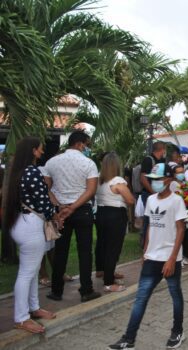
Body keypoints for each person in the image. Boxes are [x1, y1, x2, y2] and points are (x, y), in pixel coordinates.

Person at [108, 163, 187, 350]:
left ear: (169, 180)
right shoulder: (151, 199)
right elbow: (150, 226)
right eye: (153, 179)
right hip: (152, 257)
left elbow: (181, 230)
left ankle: (177, 331)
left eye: (159, 179)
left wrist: (172, 258)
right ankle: (129, 339)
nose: (155, 183)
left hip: (169, 258)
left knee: (175, 295)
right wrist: (145, 252)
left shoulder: (177, 201)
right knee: (141, 298)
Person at [5, 137, 59, 333]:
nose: (42, 152)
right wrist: (55, 215)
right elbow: (43, 201)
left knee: (32, 270)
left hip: (21, 222)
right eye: (40, 149)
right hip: (31, 225)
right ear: (33, 151)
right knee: (27, 273)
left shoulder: (17, 172)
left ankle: (34, 308)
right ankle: (21, 317)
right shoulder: (32, 172)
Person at [44, 131, 101, 302]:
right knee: (85, 251)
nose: (87, 148)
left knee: (60, 251)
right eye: (86, 144)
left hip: (59, 212)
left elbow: (46, 189)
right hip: (82, 210)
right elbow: (91, 191)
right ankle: (86, 290)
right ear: (79, 144)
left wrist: (61, 206)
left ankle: (56, 291)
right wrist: (73, 207)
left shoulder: (51, 162)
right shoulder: (88, 163)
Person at [95, 152, 136, 293]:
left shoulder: (100, 181)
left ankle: (105, 272)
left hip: (101, 214)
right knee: (113, 248)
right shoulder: (117, 181)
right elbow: (130, 200)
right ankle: (108, 282)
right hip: (115, 215)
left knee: (103, 245)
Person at [139, 142, 167, 246]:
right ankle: (145, 243)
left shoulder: (162, 160)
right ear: (162, 149)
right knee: (149, 219)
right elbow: (143, 178)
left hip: (160, 194)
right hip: (149, 194)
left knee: (159, 219)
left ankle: (156, 241)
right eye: (165, 150)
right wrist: (153, 192)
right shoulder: (148, 160)